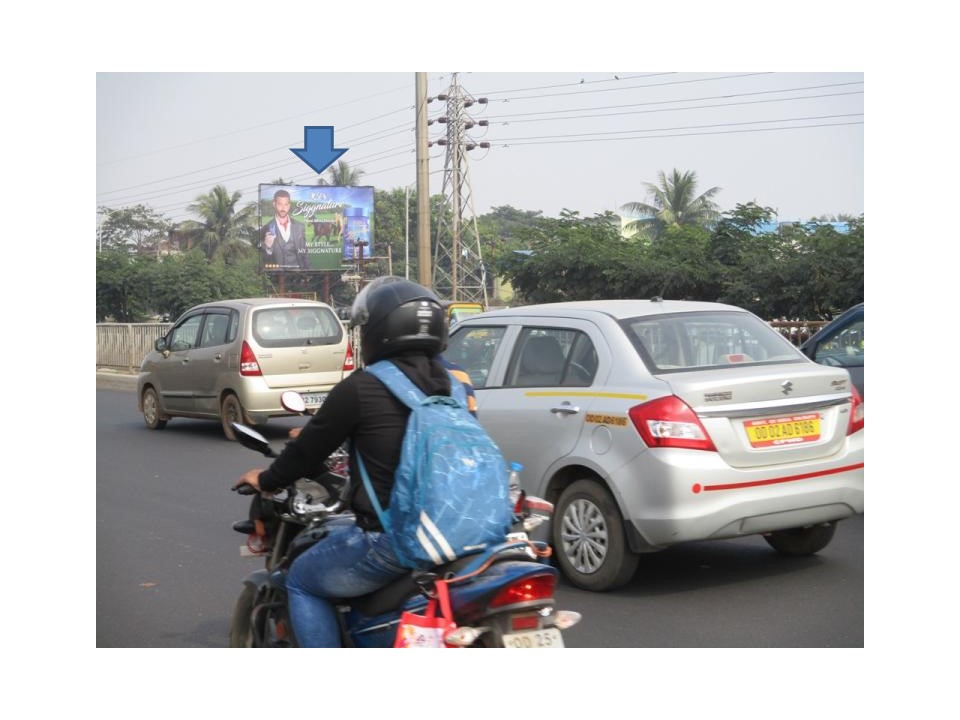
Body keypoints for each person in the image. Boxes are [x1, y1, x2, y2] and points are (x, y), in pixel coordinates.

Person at [234, 277, 472, 647]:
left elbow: (305, 454)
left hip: (395, 540)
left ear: (378, 331)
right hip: (464, 531)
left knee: (301, 580)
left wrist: (266, 479)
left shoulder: (362, 387)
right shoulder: (457, 384)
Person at [261, 189, 308, 269]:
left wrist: (309, 273)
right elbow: (263, 261)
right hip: (276, 277)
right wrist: (267, 247)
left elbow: (305, 254)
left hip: (298, 275)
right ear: (274, 204)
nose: (283, 208)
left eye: (286, 204)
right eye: (280, 204)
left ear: (289, 205)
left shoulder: (300, 226)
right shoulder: (266, 228)